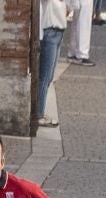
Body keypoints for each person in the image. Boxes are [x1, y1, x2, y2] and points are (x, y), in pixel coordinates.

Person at [35, 0, 75, 128]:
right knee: (44, 76)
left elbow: (72, 6)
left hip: (59, 31)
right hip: (49, 31)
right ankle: (38, 115)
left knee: (49, 77)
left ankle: (40, 111)